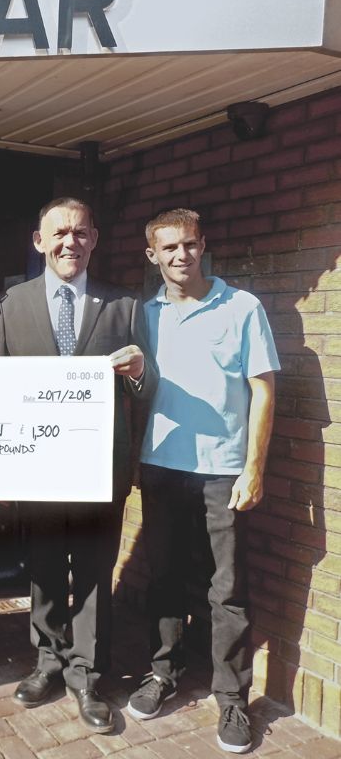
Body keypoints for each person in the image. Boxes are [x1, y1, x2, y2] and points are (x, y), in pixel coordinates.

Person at [0, 197, 157, 734]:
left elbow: (149, 383)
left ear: (95, 240)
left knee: (91, 571)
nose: (71, 243)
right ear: (38, 241)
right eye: (60, 233)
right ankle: (47, 662)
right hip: (37, 466)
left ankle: (87, 675)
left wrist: (136, 372)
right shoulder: (13, 303)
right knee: (43, 569)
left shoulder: (124, 305)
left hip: (98, 467)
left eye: (82, 233)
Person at [127, 208, 279, 754]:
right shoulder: (144, 316)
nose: (181, 256)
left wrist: (254, 467)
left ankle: (233, 699)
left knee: (228, 588)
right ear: (153, 256)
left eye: (189, 245)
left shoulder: (242, 307)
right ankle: (162, 673)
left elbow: (263, 390)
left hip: (222, 471)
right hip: (163, 467)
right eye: (168, 248)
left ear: (203, 245)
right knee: (163, 576)